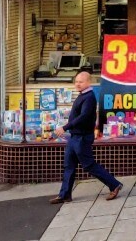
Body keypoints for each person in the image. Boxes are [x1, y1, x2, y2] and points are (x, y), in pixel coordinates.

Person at [50, 71, 122, 204]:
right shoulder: (82, 95)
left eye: (81, 82)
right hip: (74, 137)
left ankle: (114, 184)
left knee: (89, 165)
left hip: (82, 137)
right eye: (76, 81)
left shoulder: (89, 97)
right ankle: (65, 194)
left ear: (88, 82)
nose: (77, 84)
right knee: (69, 165)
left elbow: (83, 117)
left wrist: (65, 127)